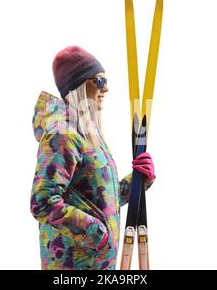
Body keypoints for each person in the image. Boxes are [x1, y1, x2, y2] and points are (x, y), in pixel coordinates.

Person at [31, 45, 156, 270]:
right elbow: (42, 202)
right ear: (79, 85)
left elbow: (101, 199)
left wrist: (138, 181)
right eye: (99, 81)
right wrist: (98, 235)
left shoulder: (87, 135)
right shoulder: (62, 134)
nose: (106, 89)